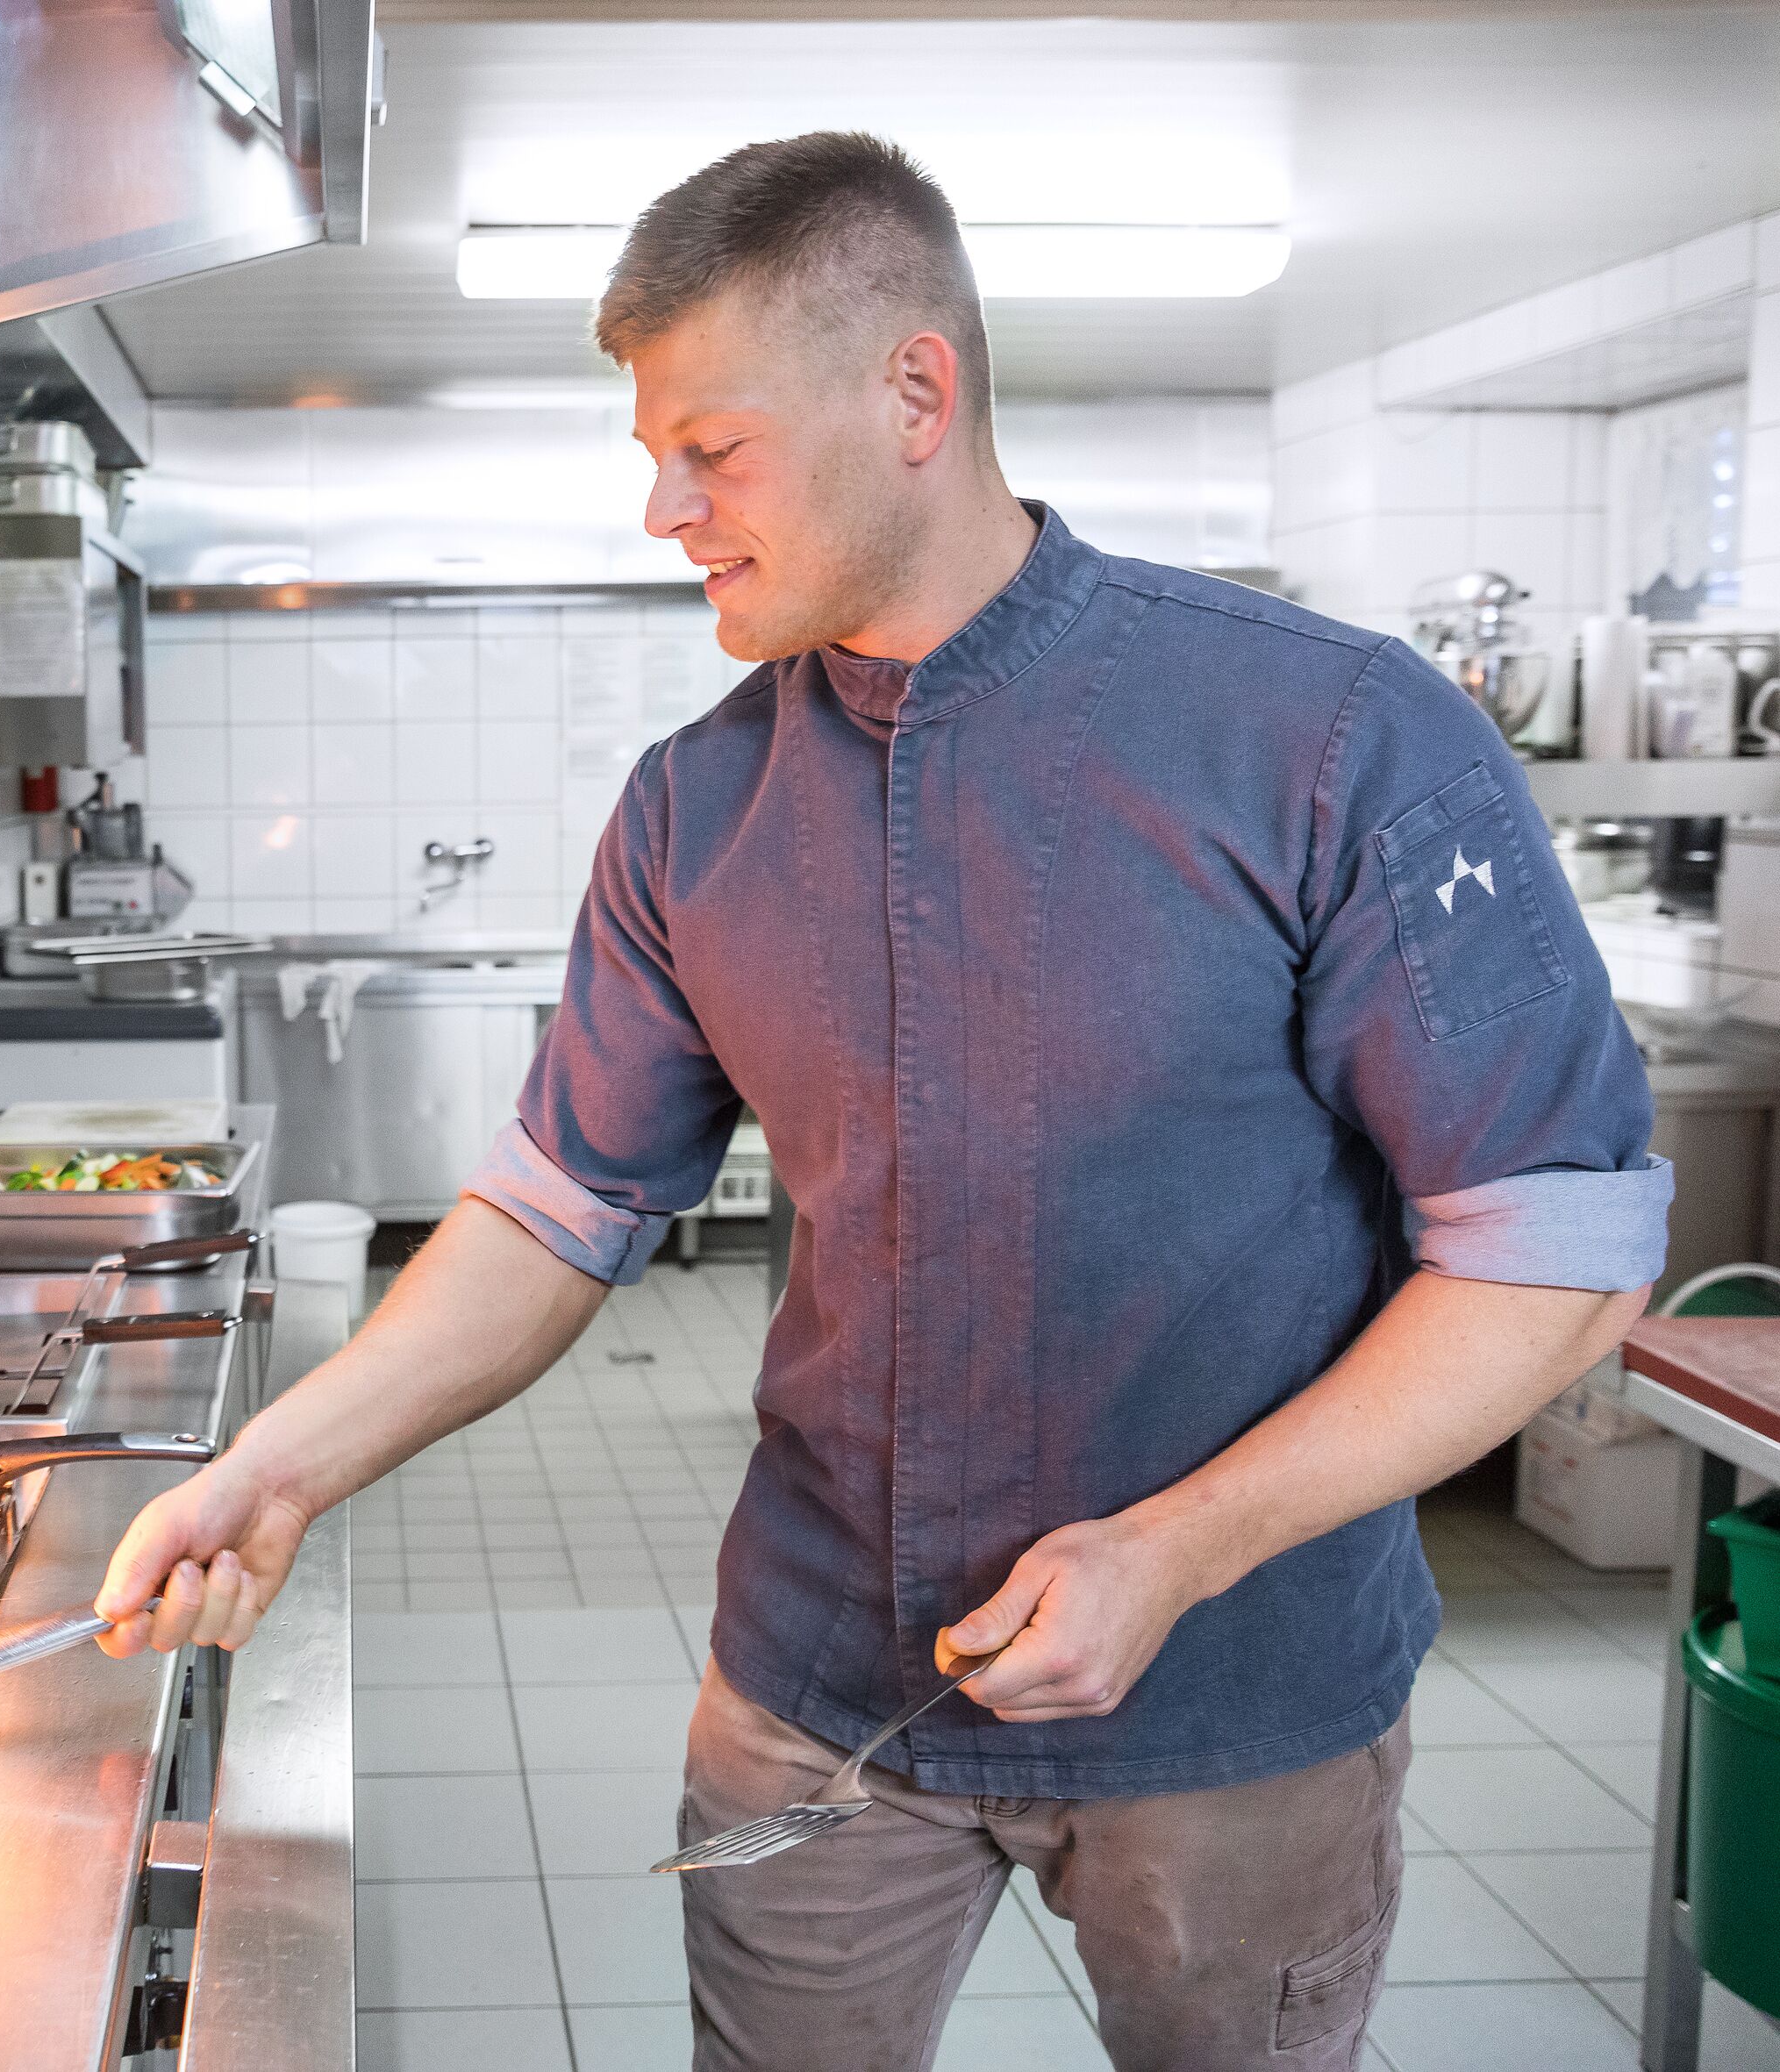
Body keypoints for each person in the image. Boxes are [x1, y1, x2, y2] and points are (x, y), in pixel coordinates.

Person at [94, 131, 1669, 2070]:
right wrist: (283, 1458)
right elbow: (555, 1206)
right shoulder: (694, 804)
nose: (663, 505)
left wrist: (1172, 1547)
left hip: (1237, 1698)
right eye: (650, 449)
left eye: (713, 446)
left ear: (911, 391)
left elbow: (1554, 1250)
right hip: (815, 1684)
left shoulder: (1329, 736)